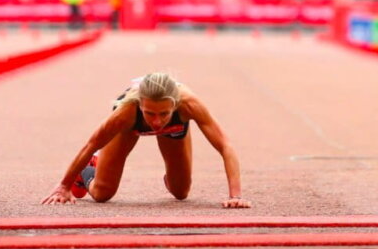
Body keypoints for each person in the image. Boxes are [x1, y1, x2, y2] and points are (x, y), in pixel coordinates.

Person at [41, 73, 251, 208]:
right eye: (150, 113)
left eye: (164, 113)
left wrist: (235, 196)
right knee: (102, 194)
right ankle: (88, 170)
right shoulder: (126, 112)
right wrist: (64, 185)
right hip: (130, 128)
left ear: (175, 105)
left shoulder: (189, 105)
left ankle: (174, 173)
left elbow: (225, 145)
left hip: (175, 129)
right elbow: (91, 144)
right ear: (140, 104)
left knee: (180, 192)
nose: (156, 122)